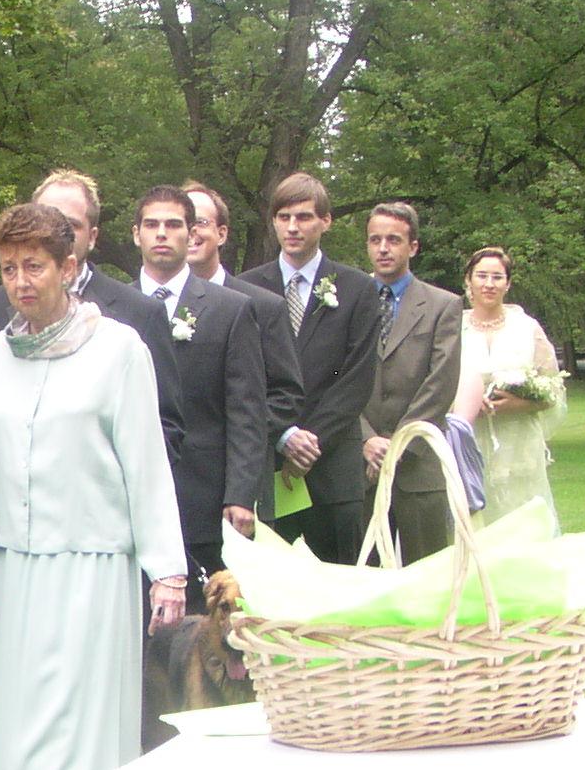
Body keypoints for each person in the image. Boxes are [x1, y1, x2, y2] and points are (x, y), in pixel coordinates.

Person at [0, 202, 185, 770]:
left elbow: (146, 463)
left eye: (35, 266)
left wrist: (168, 572)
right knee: (21, 719)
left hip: (91, 560)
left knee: (77, 719)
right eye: (8, 268)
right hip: (14, 564)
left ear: (69, 266)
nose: (21, 281)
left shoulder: (119, 350)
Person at [131, 185, 267, 606]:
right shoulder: (112, 306)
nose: (162, 233)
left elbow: (247, 410)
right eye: (151, 224)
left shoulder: (231, 309)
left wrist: (240, 494)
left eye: (173, 225)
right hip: (127, 496)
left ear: (190, 234)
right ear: (136, 234)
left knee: (198, 627)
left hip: (202, 496)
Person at [238, 173, 380, 563]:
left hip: (332, 467)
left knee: (341, 581)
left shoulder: (357, 289)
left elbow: (357, 378)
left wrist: (310, 441)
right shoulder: (245, 289)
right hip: (270, 465)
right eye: (283, 217)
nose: (293, 227)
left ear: (326, 221)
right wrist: (283, 435)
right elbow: (244, 378)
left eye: (303, 217)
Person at [183, 180, 304, 526]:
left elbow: (287, 395)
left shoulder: (262, 306)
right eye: (184, 223)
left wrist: (234, 428)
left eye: (201, 222)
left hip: (241, 480)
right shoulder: (151, 306)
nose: (191, 232)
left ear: (222, 233)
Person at [359, 201, 463, 562]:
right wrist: (365, 438)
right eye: (375, 240)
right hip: (362, 465)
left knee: (429, 575)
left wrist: (400, 443)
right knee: (361, 577)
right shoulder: (349, 301)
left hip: (419, 465)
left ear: (413, 246)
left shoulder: (443, 305)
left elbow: (441, 382)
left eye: (393, 240)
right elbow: (334, 378)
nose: (383, 249)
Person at [457, 246, 566, 532]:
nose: (489, 284)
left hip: (518, 446)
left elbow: (553, 388)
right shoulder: (453, 327)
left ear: (508, 283)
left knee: (522, 526)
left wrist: (520, 403)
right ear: (468, 280)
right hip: (469, 441)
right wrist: (464, 405)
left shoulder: (526, 328)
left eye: (497, 277)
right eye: (482, 276)